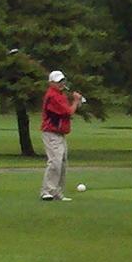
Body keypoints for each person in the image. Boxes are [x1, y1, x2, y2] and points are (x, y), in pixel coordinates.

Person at [40, 70, 83, 201]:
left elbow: (70, 109)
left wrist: (77, 102)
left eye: (62, 81)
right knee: (55, 162)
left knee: (62, 163)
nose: (61, 84)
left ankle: (57, 192)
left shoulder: (60, 95)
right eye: (58, 82)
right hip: (51, 132)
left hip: (59, 133)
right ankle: (47, 191)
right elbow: (69, 112)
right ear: (51, 83)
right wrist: (76, 101)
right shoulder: (53, 96)